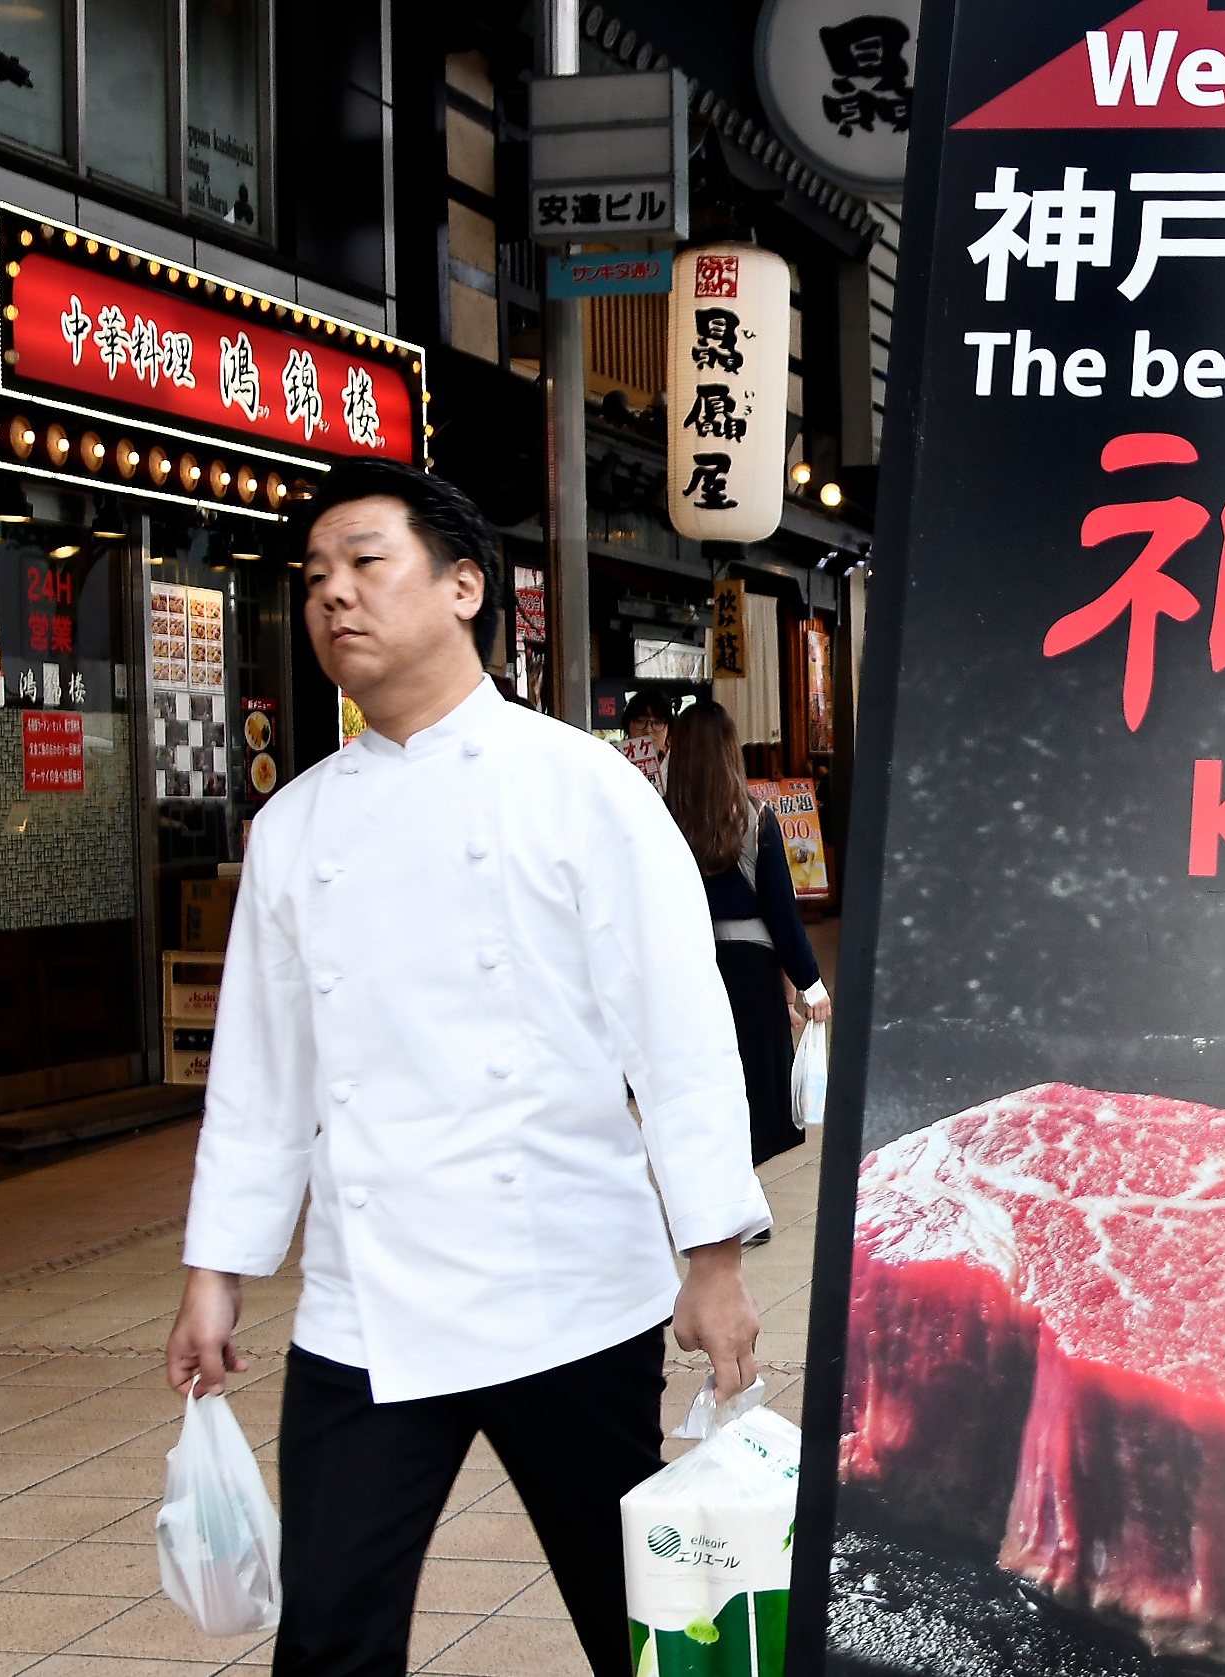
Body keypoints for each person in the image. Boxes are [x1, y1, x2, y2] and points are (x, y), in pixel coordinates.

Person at [165, 460, 768, 1677]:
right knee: (330, 1636)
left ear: (462, 588)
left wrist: (713, 1264)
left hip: (567, 1292)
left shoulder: (582, 787)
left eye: (365, 563)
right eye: (315, 576)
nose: (335, 596)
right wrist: (215, 1272)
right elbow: (264, 1076)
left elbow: (680, 1032)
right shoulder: (292, 829)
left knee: (643, 1623)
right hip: (365, 1307)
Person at [663, 701, 829, 1168]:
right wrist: (810, 983)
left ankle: (717, 1195)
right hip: (751, 974)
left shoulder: (660, 821)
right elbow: (781, 912)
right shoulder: (755, 819)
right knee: (753, 1083)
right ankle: (747, 1198)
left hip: (687, 967)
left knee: (703, 1087)